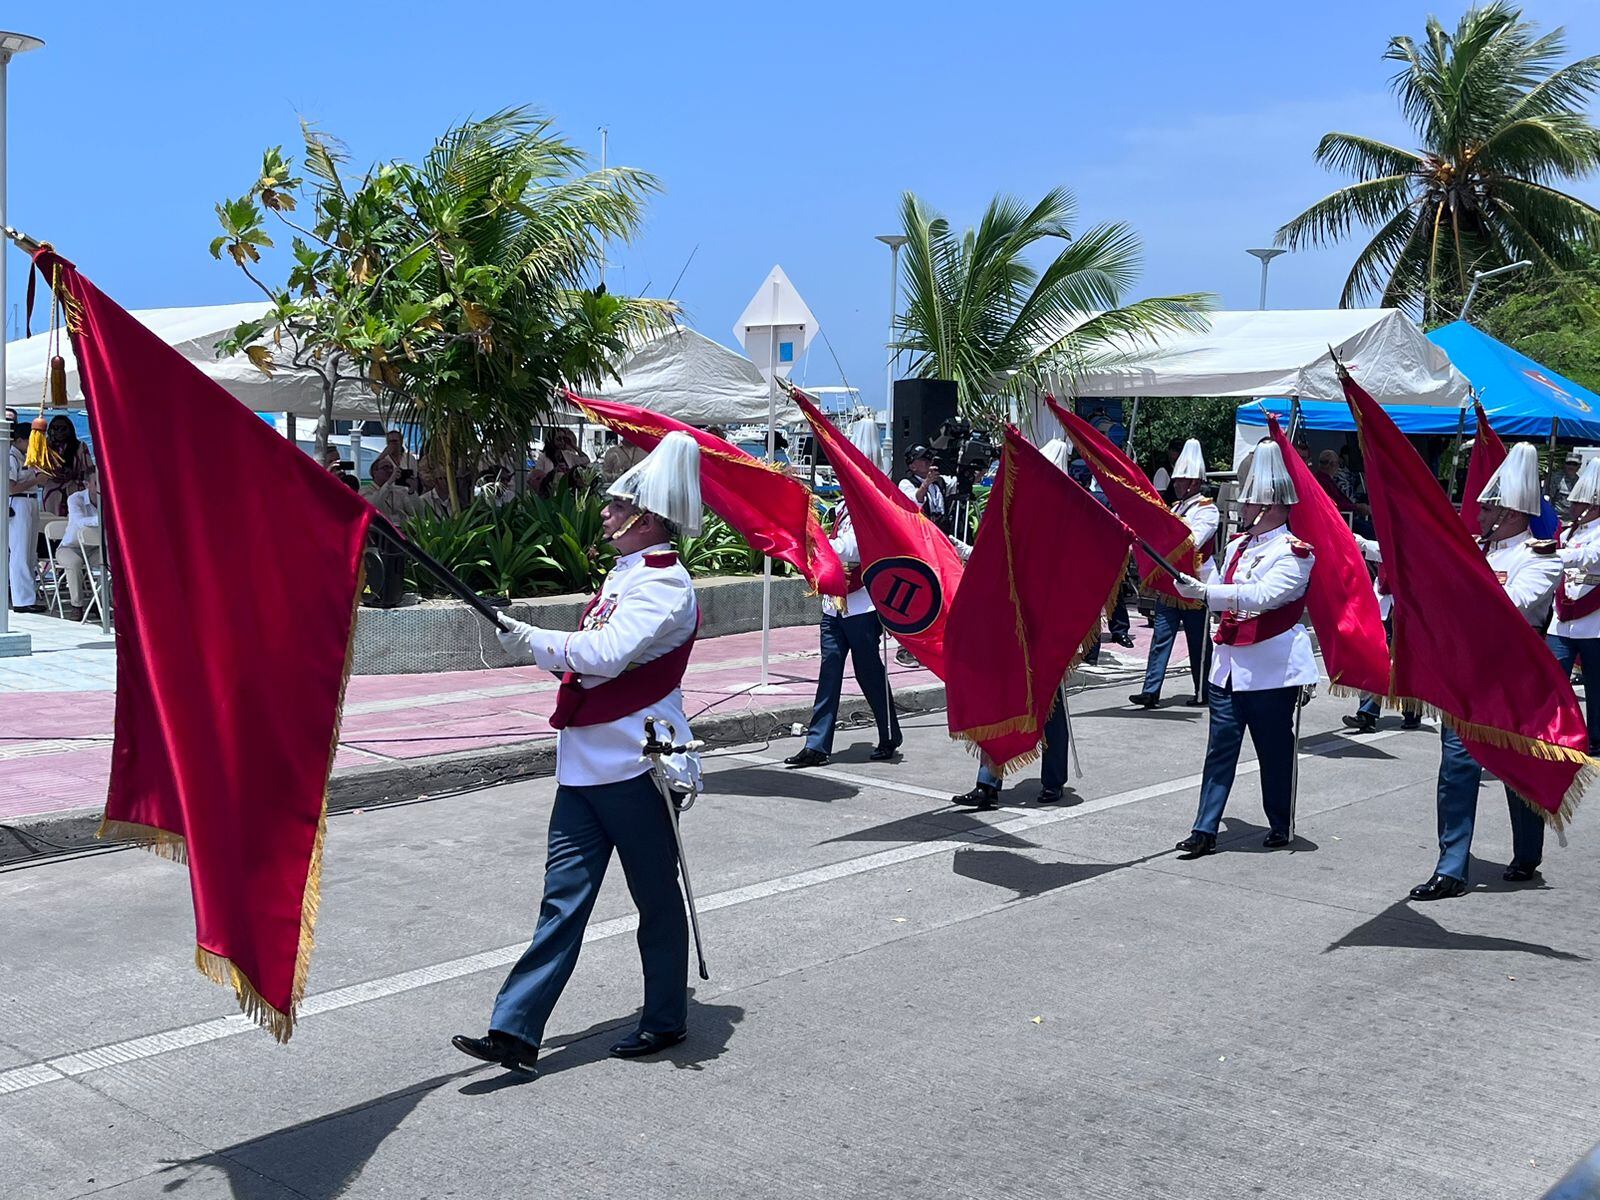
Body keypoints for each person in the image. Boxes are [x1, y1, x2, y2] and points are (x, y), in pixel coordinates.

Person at [453, 432, 704, 1074]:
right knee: (562, 899)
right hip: (586, 764)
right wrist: (536, 643)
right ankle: (514, 1029)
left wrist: (536, 638)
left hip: (635, 765)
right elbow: (587, 663)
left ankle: (666, 1018)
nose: (605, 513)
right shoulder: (627, 575)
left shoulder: (663, 584)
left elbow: (603, 656)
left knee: (655, 898)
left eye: (617, 507)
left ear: (647, 519)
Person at [1410, 443, 1561, 900]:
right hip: (1466, 676)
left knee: (1516, 768)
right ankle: (1451, 866)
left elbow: (1510, 608)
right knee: (1456, 767)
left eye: (1488, 506)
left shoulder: (1540, 557)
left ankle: (1527, 851)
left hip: (1512, 680)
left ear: (1512, 513)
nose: (1478, 511)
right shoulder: (1471, 550)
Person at [1170, 440, 1316, 855]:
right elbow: (1214, 582)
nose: (1242, 511)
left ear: (1270, 508)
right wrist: (1191, 577)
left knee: (1273, 751)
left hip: (1271, 670)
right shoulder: (1238, 546)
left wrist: (1210, 590)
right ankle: (1204, 828)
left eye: (1249, 505)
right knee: (1220, 750)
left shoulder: (1295, 553)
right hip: (1228, 667)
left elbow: (1263, 594)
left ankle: (1279, 820)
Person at [951, 438, 1077, 809]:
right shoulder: (1018, 514)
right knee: (999, 700)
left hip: (1047, 627)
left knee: (1048, 709)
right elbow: (997, 560)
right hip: (1012, 624)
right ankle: (988, 782)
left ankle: (1053, 779)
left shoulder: (1068, 524)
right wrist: (962, 550)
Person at [785, 418, 902, 770]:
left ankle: (888, 732)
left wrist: (817, 543)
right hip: (835, 603)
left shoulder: (871, 506)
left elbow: (852, 548)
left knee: (868, 672)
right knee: (829, 670)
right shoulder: (842, 508)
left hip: (862, 603)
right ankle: (817, 744)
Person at [1130, 438, 1218, 710]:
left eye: (1180, 480)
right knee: (1161, 637)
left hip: (1195, 584)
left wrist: (1168, 527)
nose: (1175, 484)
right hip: (1169, 583)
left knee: (1198, 643)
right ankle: (1151, 690)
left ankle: (1204, 690)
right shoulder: (1176, 508)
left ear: (1193, 482)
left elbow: (1193, 538)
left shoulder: (1208, 509)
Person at [1341, 534, 1422, 735]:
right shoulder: (1385, 546)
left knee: (1408, 663)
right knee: (1373, 660)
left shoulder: (1416, 549)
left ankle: (1412, 710)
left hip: (1408, 613)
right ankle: (1366, 715)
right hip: (1382, 611)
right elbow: (1359, 542)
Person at [1549, 456, 1600, 751]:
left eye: (1578, 503)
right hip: (1563, 616)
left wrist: (1553, 555)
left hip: (1594, 620)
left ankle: (1595, 739)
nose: (1572, 506)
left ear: (1593, 506)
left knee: (1596, 686)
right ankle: (1557, 732)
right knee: (1554, 678)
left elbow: (1592, 556)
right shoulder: (1569, 531)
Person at [8, 420, 42, 613]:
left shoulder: (28, 456)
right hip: (18, 502)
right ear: (20, 440)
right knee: (20, 552)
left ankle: (29, 595)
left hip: (31, 501)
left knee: (30, 552)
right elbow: (10, 488)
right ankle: (21, 599)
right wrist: (35, 480)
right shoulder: (11, 457)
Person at [53, 489, 100, 621]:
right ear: (87, 484)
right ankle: (76, 605)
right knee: (74, 563)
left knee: (112, 561)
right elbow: (79, 521)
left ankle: (99, 600)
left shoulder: (108, 497)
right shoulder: (76, 498)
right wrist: (103, 518)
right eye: (95, 482)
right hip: (70, 547)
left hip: (95, 548)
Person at [38, 415, 97, 518]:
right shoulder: (44, 448)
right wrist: (53, 474)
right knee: (52, 521)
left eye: (63, 428)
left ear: (70, 430)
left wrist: (75, 474)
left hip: (74, 489)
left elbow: (89, 469)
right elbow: (37, 470)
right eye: (55, 428)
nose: (59, 432)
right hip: (52, 492)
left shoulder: (80, 446)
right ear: (50, 430)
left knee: (76, 517)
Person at [899, 444, 951, 531]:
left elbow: (962, 483)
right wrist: (926, 483)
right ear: (912, 466)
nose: (928, 461)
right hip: (921, 533)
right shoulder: (905, 483)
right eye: (923, 459)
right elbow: (915, 501)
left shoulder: (940, 481)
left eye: (929, 458)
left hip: (941, 532)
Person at [1314, 449, 1370, 520]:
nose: (1338, 467)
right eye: (1337, 464)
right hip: (1340, 520)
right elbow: (1334, 504)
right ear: (1332, 465)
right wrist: (1357, 507)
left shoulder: (1324, 480)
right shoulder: (1323, 482)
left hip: (1345, 516)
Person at [1553, 452, 1582, 521]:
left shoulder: (1581, 482)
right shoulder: (1556, 479)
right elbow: (1547, 499)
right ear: (1564, 464)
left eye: (1574, 464)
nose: (1571, 467)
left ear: (1579, 466)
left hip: (1572, 520)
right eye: (1569, 463)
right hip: (1556, 518)